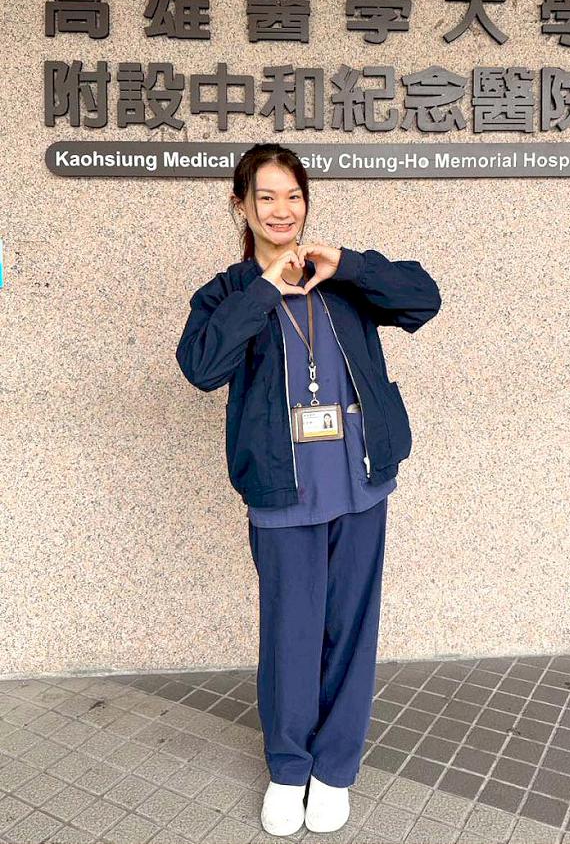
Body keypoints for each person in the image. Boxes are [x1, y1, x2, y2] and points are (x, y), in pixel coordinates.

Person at [175, 142, 442, 835]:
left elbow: (424, 297)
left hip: (359, 483)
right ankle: (289, 768)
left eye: (292, 195)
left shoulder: (341, 279)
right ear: (241, 205)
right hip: (283, 492)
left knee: (351, 630)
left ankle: (334, 770)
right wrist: (265, 289)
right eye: (265, 196)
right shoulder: (229, 293)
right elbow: (201, 366)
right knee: (290, 633)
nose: (281, 209)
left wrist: (348, 263)